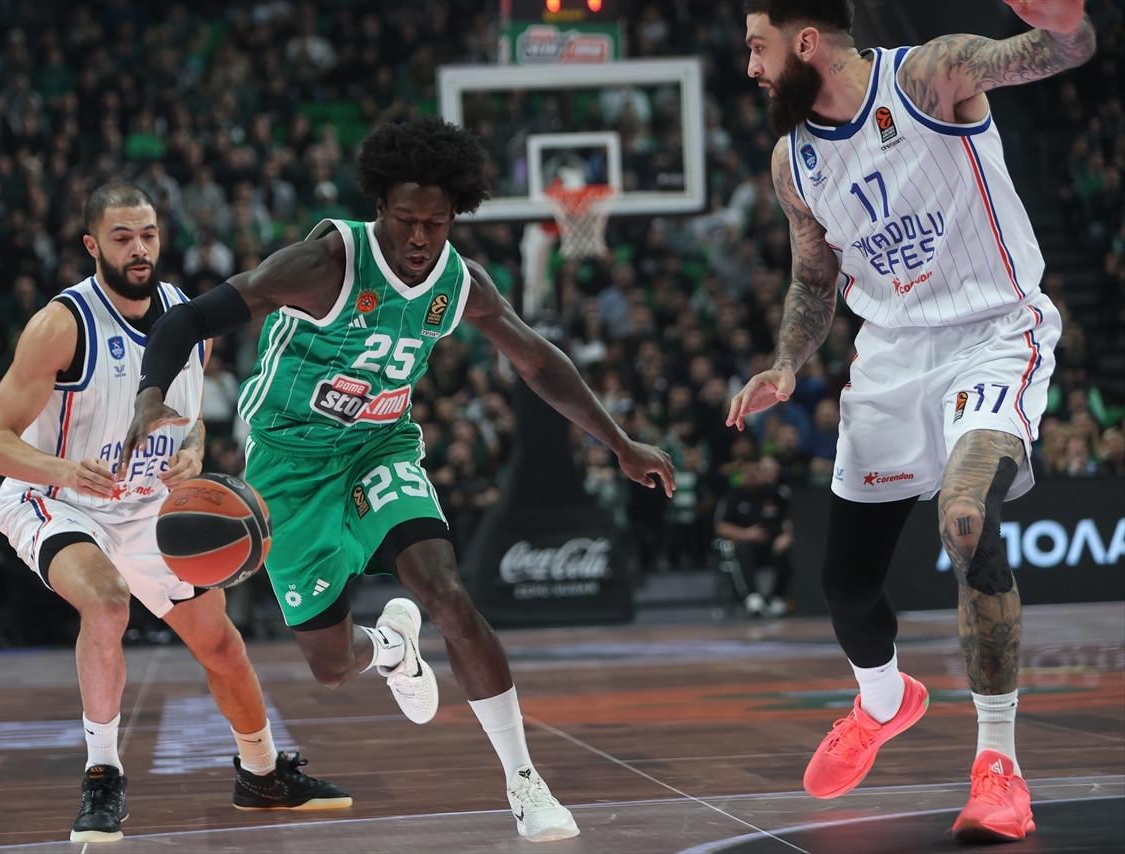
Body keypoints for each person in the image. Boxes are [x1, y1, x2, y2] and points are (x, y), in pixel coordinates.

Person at [119, 117, 676, 843]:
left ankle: (524, 781)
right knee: (330, 665)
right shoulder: (322, 265)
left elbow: (538, 361)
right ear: (379, 207)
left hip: (379, 447)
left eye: (434, 224)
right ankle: (389, 647)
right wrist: (150, 394)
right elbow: (186, 322)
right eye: (406, 219)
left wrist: (620, 442)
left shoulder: (459, 283)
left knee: (446, 591)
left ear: (454, 218)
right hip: (288, 463)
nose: (419, 237)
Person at [731, 0, 1094, 842]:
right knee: (846, 587)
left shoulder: (929, 76)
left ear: (806, 42)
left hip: (992, 334)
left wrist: (1067, 22)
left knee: (967, 518)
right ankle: (884, 700)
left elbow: (1056, 53)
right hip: (891, 355)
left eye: (758, 47)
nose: (751, 68)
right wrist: (786, 362)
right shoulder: (793, 162)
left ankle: (998, 768)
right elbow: (814, 280)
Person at [0, 183, 350, 843]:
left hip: (146, 505)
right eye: (122, 237)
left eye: (147, 234)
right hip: (57, 499)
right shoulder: (61, 325)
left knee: (220, 642)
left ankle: (262, 773)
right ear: (93, 245)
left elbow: (190, 417)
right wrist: (66, 471)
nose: (139, 248)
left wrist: (193, 451)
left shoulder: (186, 318)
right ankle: (102, 774)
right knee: (107, 603)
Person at [713, 457, 793, 617]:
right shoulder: (733, 496)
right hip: (746, 543)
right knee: (743, 549)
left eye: (756, 470)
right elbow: (721, 526)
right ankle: (752, 597)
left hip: (772, 542)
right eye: (747, 471)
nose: (752, 475)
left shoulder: (775, 494)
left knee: (786, 550)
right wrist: (745, 534)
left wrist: (786, 536)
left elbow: (788, 519)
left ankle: (777, 597)